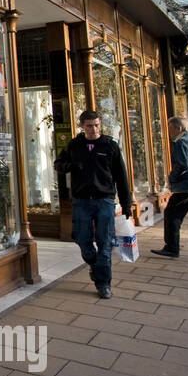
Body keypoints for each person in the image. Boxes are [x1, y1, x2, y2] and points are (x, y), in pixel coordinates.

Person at [55, 110, 132, 299]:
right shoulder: (75, 145)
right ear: (82, 126)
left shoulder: (109, 145)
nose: (93, 129)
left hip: (104, 200)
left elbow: (121, 177)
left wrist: (126, 204)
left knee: (105, 242)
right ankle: (93, 263)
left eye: (97, 125)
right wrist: (71, 166)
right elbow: (59, 164)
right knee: (83, 239)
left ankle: (103, 283)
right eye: (89, 126)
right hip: (81, 201)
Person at [152, 116, 188, 258]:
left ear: (178, 128)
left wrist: (172, 177)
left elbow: (184, 163)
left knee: (172, 216)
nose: (169, 132)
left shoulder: (181, 142)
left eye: (170, 128)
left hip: (186, 185)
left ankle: (172, 247)